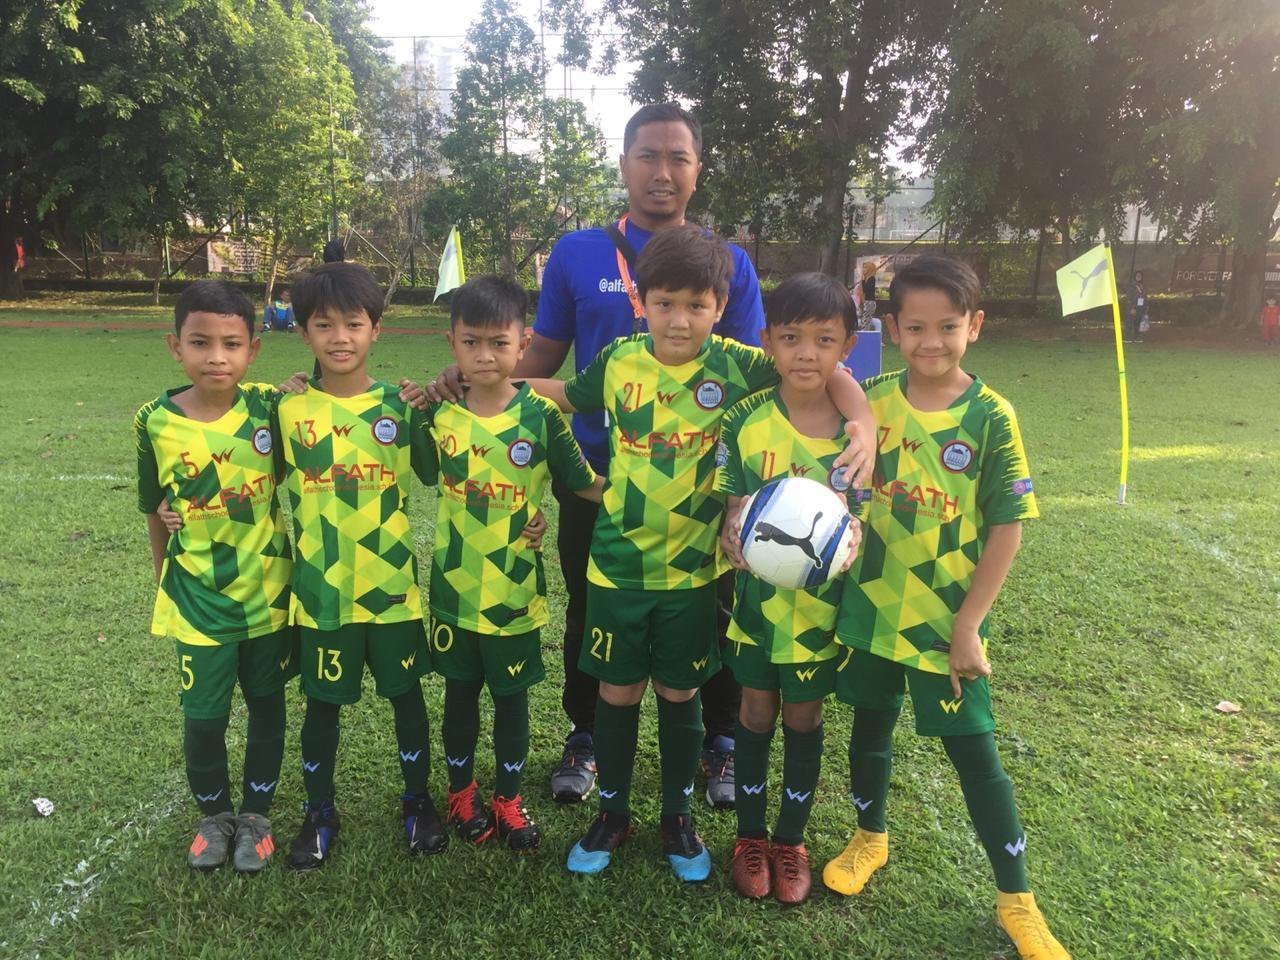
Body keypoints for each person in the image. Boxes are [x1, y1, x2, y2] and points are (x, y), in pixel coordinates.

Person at [429, 103, 766, 808]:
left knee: (712, 610)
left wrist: (743, 487)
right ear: (623, 164)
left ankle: (720, 742)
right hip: (595, 478)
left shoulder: (728, 264)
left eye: (678, 157)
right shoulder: (578, 253)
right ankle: (584, 736)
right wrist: (477, 379)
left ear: (698, 170)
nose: (662, 171)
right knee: (590, 605)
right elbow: (542, 359)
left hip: (700, 488)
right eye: (648, 155)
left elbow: (759, 383)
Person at [527, 226, 874, 882]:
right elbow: (566, 395)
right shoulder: (620, 359)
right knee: (617, 691)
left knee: (680, 690)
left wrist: (866, 426)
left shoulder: (737, 364)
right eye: (664, 303)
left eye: (696, 305)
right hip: (617, 567)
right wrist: (486, 380)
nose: (679, 320)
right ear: (642, 302)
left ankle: (676, 817)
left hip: (693, 573)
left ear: (720, 307)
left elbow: (822, 371)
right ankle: (613, 813)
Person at [822, 256, 1069, 960]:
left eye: (949, 327)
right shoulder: (872, 401)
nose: (932, 342)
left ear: (975, 326)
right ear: (893, 328)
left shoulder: (991, 416)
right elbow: (826, 379)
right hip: (871, 605)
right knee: (870, 727)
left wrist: (968, 625)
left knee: (975, 753)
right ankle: (870, 838)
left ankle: (1017, 899)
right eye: (916, 328)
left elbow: (1007, 527)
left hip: (943, 623)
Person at [425, 276, 602, 855]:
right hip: (454, 587)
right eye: (471, 342)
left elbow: (585, 484)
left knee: (511, 699)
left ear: (523, 344)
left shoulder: (543, 416)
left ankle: (506, 797)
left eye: (498, 343)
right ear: (452, 343)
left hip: (515, 590)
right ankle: (461, 793)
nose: (484, 355)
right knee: (459, 696)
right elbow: (400, 464)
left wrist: (658, 493)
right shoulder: (436, 414)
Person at [278, 262, 446, 870]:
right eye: (324, 325)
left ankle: (417, 801)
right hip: (321, 591)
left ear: (377, 328)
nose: (340, 337)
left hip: (391, 587)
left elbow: (441, 473)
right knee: (321, 704)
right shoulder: (285, 410)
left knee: (406, 697)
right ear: (303, 332)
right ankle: (319, 812)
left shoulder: (401, 406)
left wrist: (428, 408)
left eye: (354, 323)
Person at [135, 280, 297, 873]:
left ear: (253, 349)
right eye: (200, 342)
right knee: (203, 718)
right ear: (175, 346)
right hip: (197, 599)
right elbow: (154, 508)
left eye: (231, 344)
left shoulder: (270, 408)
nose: (216, 357)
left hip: (268, 593)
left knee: (267, 707)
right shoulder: (154, 420)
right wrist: (165, 582)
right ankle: (214, 816)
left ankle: (256, 816)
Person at [716, 272, 864, 905]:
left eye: (824, 340)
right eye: (792, 337)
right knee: (754, 711)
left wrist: (855, 532)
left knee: (804, 717)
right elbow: (732, 505)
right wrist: (731, 527)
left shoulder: (858, 432)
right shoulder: (744, 420)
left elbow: (864, 513)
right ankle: (749, 838)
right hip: (755, 607)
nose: (807, 353)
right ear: (767, 341)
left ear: (847, 347)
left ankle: (790, 841)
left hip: (819, 613)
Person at [1126, 271, 1149, 341]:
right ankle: (1128, 338)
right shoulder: (1131, 286)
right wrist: (1132, 307)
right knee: (1130, 323)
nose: (1139, 277)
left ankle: (1136, 337)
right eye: (1137, 276)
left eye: (1140, 276)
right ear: (1135, 277)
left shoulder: (1143, 286)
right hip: (1133, 306)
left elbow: (1145, 296)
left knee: (1138, 323)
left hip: (1140, 307)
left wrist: (1146, 306)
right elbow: (1129, 297)